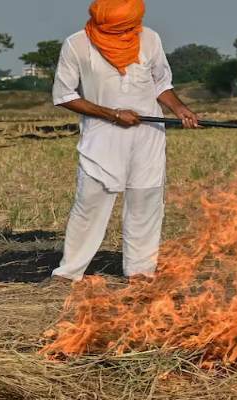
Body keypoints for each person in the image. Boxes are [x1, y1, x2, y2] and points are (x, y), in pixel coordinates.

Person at [49, 0, 198, 283]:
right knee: (91, 202)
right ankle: (69, 273)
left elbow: (161, 83)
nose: (128, 32)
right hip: (102, 137)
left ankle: (140, 272)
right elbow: (65, 96)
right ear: (104, 22)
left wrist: (179, 108)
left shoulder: (150, 38)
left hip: (148, 135)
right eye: (121, 28)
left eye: (131, 26)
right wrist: (113, 114)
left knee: (146, 201)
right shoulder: (77, 45)